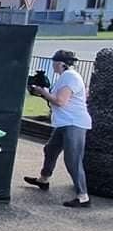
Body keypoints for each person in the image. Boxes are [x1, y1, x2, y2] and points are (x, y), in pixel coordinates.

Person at [24, 49, 93, 208]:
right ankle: (43, 179)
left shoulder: (70, 77)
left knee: (72, 160)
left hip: (74, 123)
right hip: (64, 123)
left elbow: (60, 101)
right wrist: (42, 93)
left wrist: (43, 92)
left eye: (54, 62)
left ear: (61, 63)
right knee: (50, 149)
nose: (52, 65)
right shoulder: (66, 76)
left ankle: (83, 196)